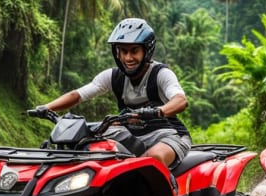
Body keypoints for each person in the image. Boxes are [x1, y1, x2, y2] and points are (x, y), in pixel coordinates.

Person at [35, 18, 191, 167]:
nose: (128, 57)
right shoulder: (113, 76)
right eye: (123, 51)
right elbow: (78, 95)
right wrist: (46, 107)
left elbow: (180, 100)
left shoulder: (160, 74)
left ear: (146, 51)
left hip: (169, 135)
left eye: (134, 51)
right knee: (93, 151)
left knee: (153, 160)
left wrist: (158, 112)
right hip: (132, 137)